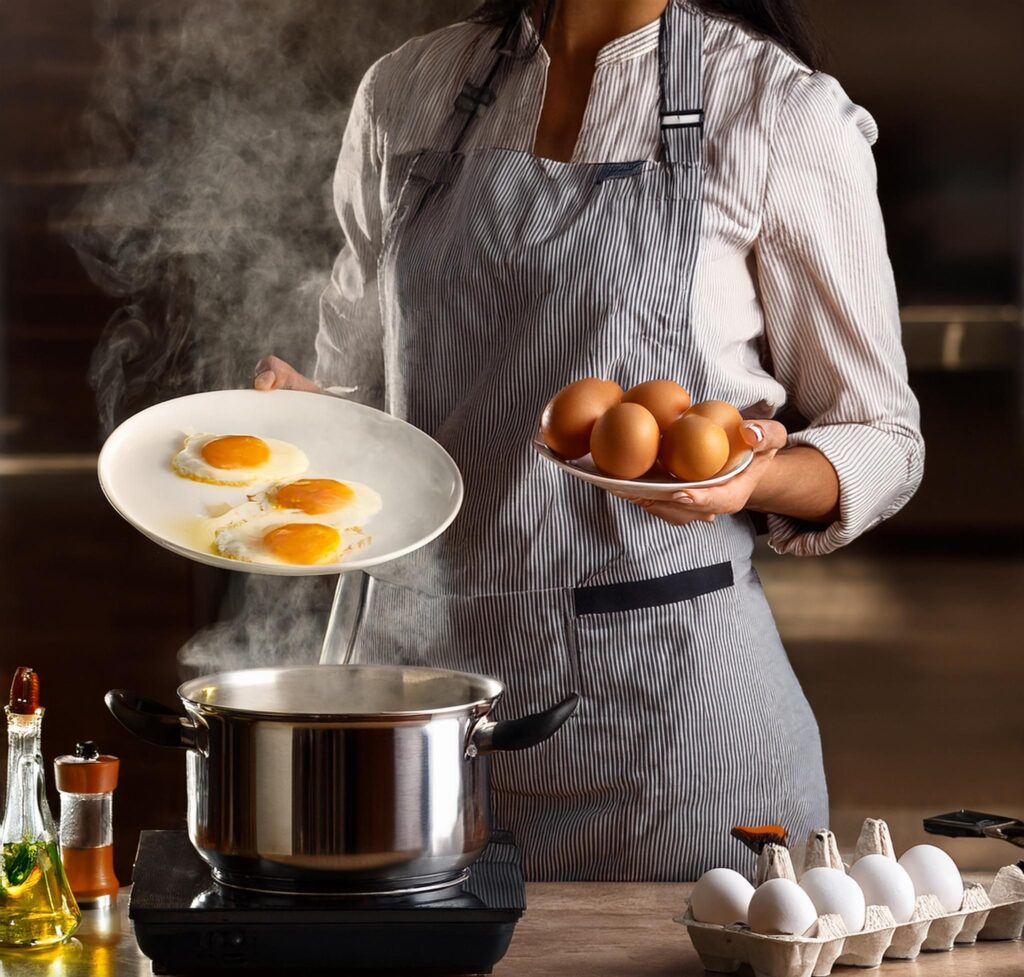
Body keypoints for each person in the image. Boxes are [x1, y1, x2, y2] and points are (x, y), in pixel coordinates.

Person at [254, 0, 924, 881]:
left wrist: (748, 481)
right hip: (413, 717)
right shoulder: (405, 94)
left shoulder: (776, 112)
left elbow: (885, 437)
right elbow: (367, 399)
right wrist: (304, 421)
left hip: (674, 744)